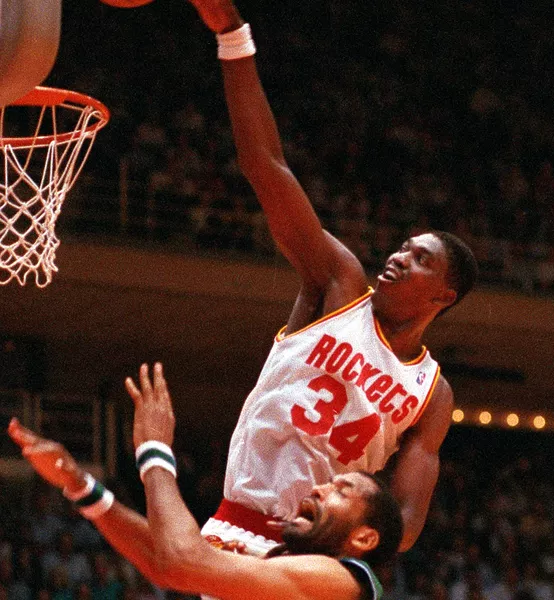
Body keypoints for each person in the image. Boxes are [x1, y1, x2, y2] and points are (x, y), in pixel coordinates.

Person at [183, 0, 479, 555]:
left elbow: (408, 518)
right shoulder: (341, 286)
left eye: (420, 259)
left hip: (314, 553)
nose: (398, 257)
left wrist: (342, 560)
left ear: (444, 295)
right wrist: (233, 36)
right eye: (402, 247)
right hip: (237, 524)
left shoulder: (432, 394)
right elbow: (265, 166)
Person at [8, 362, 403, 600]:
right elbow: (163, 559)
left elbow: (180, 561)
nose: (320, 486)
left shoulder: (341, 581)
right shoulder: (285, 567)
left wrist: (155, 453)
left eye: (340, 490)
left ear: (364, 538)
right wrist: (80, 485)